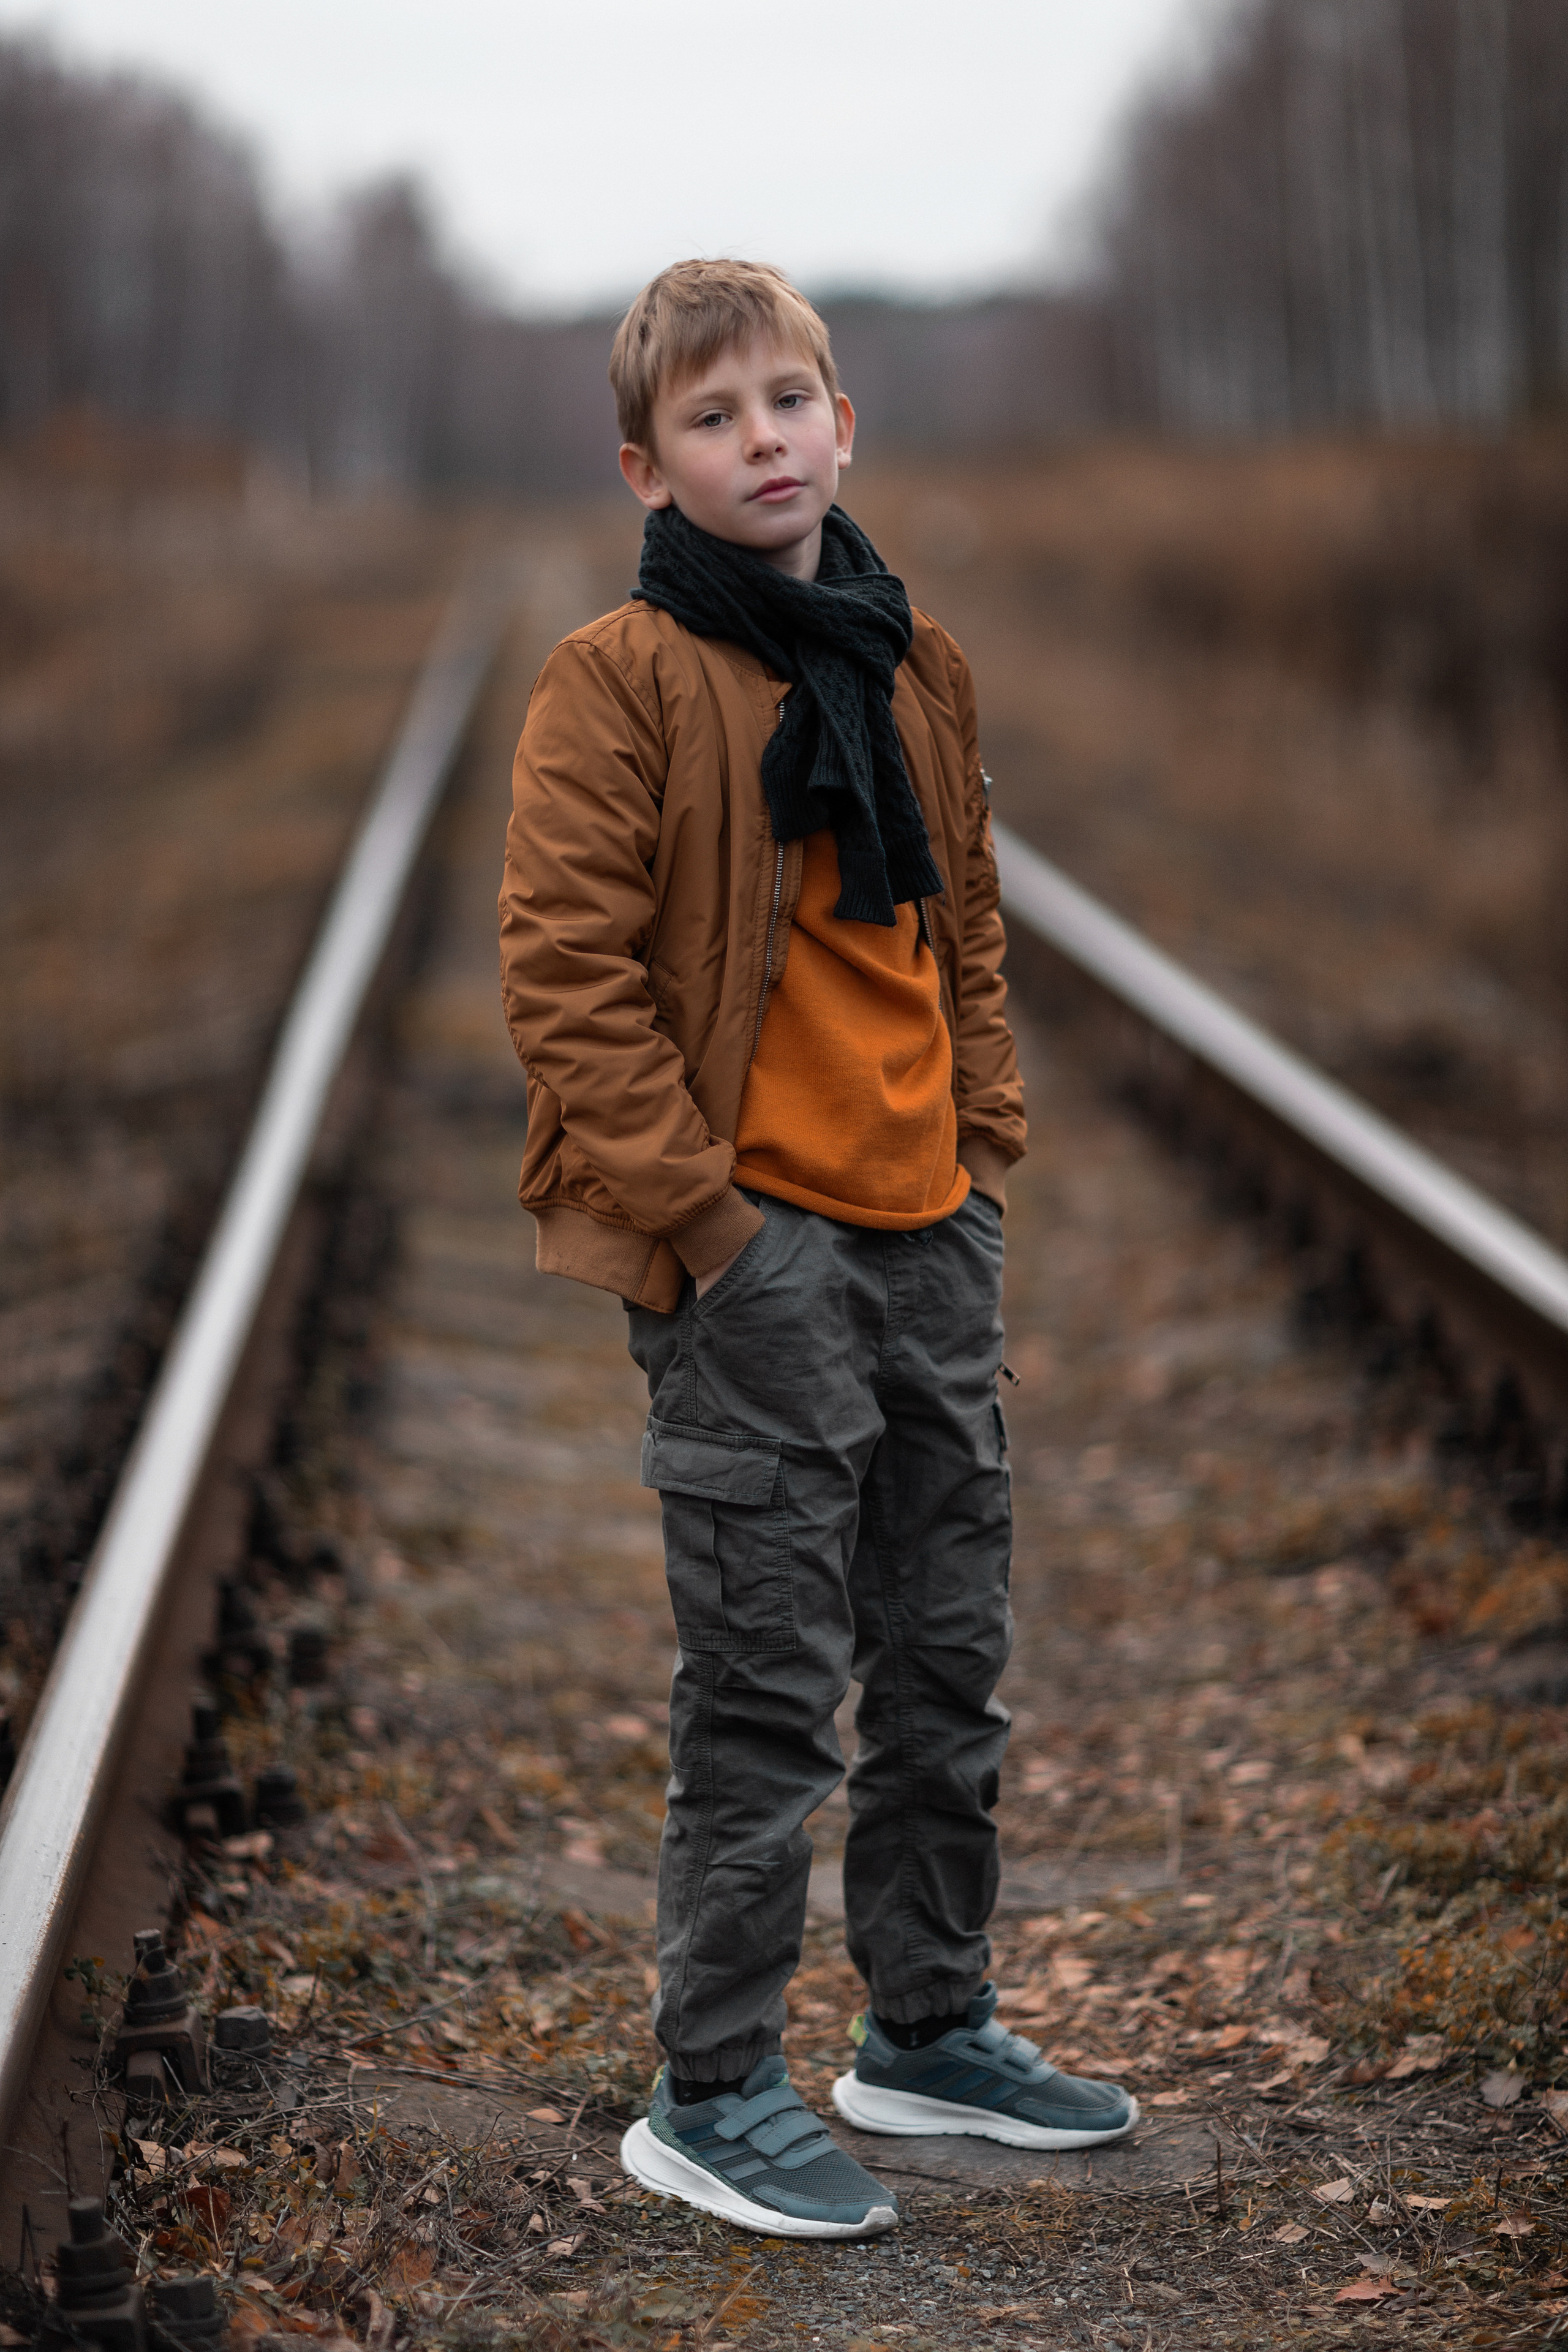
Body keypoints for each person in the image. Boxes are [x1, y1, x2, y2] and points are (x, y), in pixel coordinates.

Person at [499, 258, 1137, 2242]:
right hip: (749, 1246)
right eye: (715, 417)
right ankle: (711, 2088)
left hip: (928, 1223)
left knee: (949, 1653)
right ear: (648, 462)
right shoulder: (618, 679)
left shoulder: (910, 658)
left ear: (844, 424)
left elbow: (968, 926)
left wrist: (984, 1145)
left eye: (790, 401)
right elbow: (564, 978)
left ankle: (928, 2028)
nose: (762, 438)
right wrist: (711, 1230)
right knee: (767, 1684)